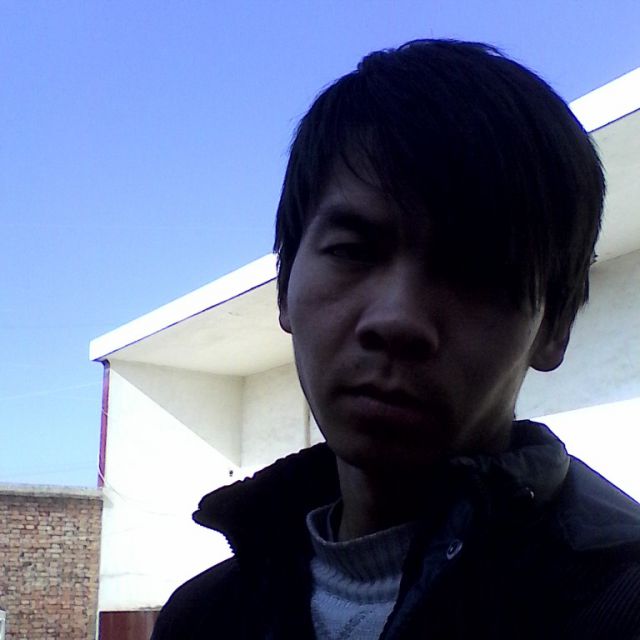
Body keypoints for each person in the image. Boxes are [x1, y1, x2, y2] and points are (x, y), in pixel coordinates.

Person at [152, 39, 640, 639]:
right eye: (352, 251)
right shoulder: (201, 618)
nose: (397, 319)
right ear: (284, 287)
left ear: (554, 328)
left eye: (474, 272)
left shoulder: (620, 605)